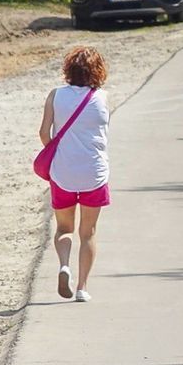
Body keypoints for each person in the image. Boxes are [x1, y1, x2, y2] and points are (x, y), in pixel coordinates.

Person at [39, 46, 111, 303]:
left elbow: (44, 133)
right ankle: (82, 288)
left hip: (63, 173)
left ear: (68, 70)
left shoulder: (55, 96)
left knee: (64, 228)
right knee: (88, 232)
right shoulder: (101, 98)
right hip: (94, 173)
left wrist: (57, 152)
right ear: (98, 71)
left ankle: (64, 266)